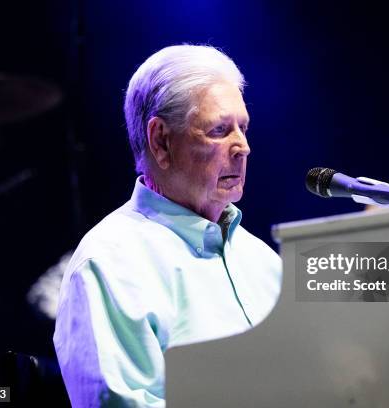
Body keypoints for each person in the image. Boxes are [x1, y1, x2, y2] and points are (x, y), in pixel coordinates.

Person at [53, 45, 282, 407]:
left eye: (244, 127)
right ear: (160, 140)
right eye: (220, 130)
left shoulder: (266, 263)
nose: (243, 147)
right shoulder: (109, 263)